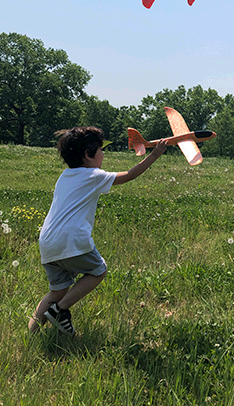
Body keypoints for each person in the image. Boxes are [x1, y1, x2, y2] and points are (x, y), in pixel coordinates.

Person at [28, 126, 167, 335]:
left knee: (57, 290)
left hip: (47, 242)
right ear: (88, 154)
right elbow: (129, 175)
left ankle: (31, 332)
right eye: (101, 150)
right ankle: (60, 310)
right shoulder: (93, 175)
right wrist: (154, 155)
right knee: (99, 270)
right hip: (71, 240)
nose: (103, 155)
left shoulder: (65, 175)